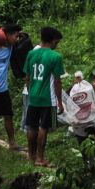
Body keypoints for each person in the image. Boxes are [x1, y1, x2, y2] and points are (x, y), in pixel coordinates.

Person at [24, 27, 65, 168]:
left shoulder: (31, 54)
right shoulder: (55, 57)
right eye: (57, 42)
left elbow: (27, 77)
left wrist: (30, 93)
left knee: (31, 126)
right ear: (52, 40)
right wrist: (60, 102)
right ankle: (40, 158)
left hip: (33, 96)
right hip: (48, 98)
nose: (56, 45)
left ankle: (31, 156)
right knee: (43, 127)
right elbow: (57, 81)